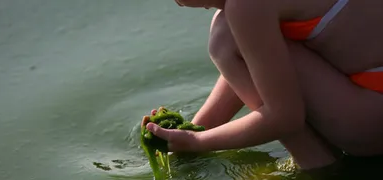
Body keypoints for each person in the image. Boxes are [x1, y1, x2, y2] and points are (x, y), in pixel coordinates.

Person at [142, 0, 383, 170]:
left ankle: (316, 164)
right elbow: (263, 60)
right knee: (235, 32)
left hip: (370, 122)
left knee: (225, 37)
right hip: (369, 99)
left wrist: (197, 143)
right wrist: (193, 130)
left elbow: (285, 118)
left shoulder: (246, 6)